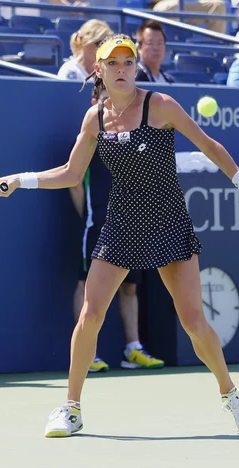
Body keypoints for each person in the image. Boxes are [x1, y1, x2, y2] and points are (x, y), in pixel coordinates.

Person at [0, 34, 239, 437]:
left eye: (128, 62)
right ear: (99, 70)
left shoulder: (160, 105)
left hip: (168, 221)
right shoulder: (94, 118)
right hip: (121, 224)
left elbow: (209, 145)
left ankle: (231, 394)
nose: (122, 69)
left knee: (194, 321)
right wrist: (20, 180)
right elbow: (71, 174)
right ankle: (71, 408)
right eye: (113, 63)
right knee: (90, 315)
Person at [69, 85, 165, 373]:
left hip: (132, 224)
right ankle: (90, 354)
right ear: (94, 101)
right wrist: (88, 216)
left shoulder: (132, 135)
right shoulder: (89, 135)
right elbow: (73, 181)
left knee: (131, 286)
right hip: (98, 222)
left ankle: (133, 349)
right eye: (104, 97)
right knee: (87, 286)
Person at [150, 0, 226, 34]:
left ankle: (213, 50)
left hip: (187, 3)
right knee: (171, 7)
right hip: (163, 4)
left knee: (218, 6)